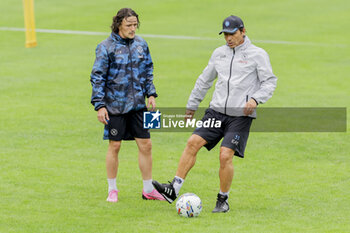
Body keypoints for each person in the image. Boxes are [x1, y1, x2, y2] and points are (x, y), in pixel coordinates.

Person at [152, 15, 277, 212]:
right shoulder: (219, 53)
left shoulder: (257, 54)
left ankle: (222, 200)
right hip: (216, 112)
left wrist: (255, 99)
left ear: (243, 31)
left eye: (232, 34)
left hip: (240, 116)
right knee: (193, 142)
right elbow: (204, 80)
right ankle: (173, 189)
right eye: (225, 34)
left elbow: (269, 81)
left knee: (225, 155)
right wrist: (192, 104)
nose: (228, 38)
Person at [90, 8, 165, 202]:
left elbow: (148, 70)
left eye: (135, 25)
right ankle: (112, 189)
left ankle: (148, 190)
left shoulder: (141, 44)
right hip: (115, 106)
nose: (133, 29)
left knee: (146, 145)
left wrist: (151, 93)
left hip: (139, 105)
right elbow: (97, 77)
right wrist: (99, 105)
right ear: (119, 25)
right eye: (129, 25)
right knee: (115, 146)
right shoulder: (105, 47)